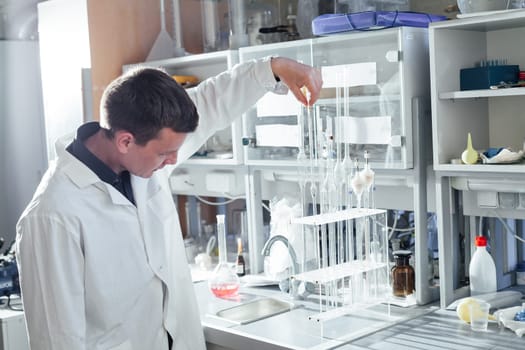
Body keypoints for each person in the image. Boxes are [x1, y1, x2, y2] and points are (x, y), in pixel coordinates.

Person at [15, 56, 322, 350]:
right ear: (125, 141)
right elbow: (56, 340)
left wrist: (274, 68)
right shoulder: (52, 214)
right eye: (165, 154)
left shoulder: (143, 149)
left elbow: (210, 101)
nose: (174, 160)